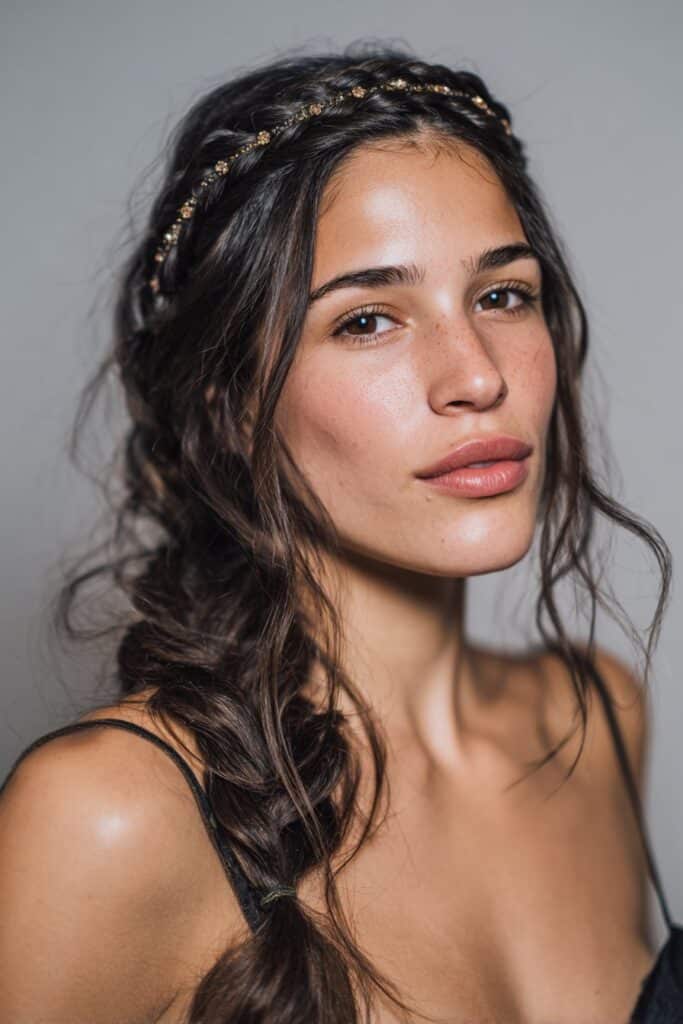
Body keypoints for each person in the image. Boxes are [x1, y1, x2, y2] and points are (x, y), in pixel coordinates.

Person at [0, 42, 679, 1024]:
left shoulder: (593, 720)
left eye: (501, 294)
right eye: (367, 320)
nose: (476, 375)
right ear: (231, 404)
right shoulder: (105, 818)